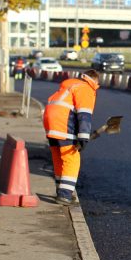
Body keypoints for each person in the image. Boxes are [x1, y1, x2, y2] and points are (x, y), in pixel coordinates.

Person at [42, 69, 100, 205]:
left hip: (51, 125)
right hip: (63, 125)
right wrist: (84, 137)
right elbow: (84, 115)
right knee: (72, 159)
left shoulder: (69, 86)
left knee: (59, 158)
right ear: (94, 81)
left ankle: (61, 191)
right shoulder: (85, 88)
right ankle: (65, 195)